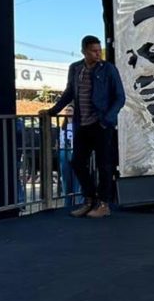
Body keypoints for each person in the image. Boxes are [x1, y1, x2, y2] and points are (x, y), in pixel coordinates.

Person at [41, 35, 126, 219]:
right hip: (82, 124)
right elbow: (69, 92)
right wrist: (53, 111)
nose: (98, 54)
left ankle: (104, 204)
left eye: (99, 50)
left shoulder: (108, 69)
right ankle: (89, 199)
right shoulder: (76, 68)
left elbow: (120, 96)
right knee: (77, 162)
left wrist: (106, 120)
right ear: (84, 51)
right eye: (93, 51)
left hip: (101, 123)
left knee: (104, 165)